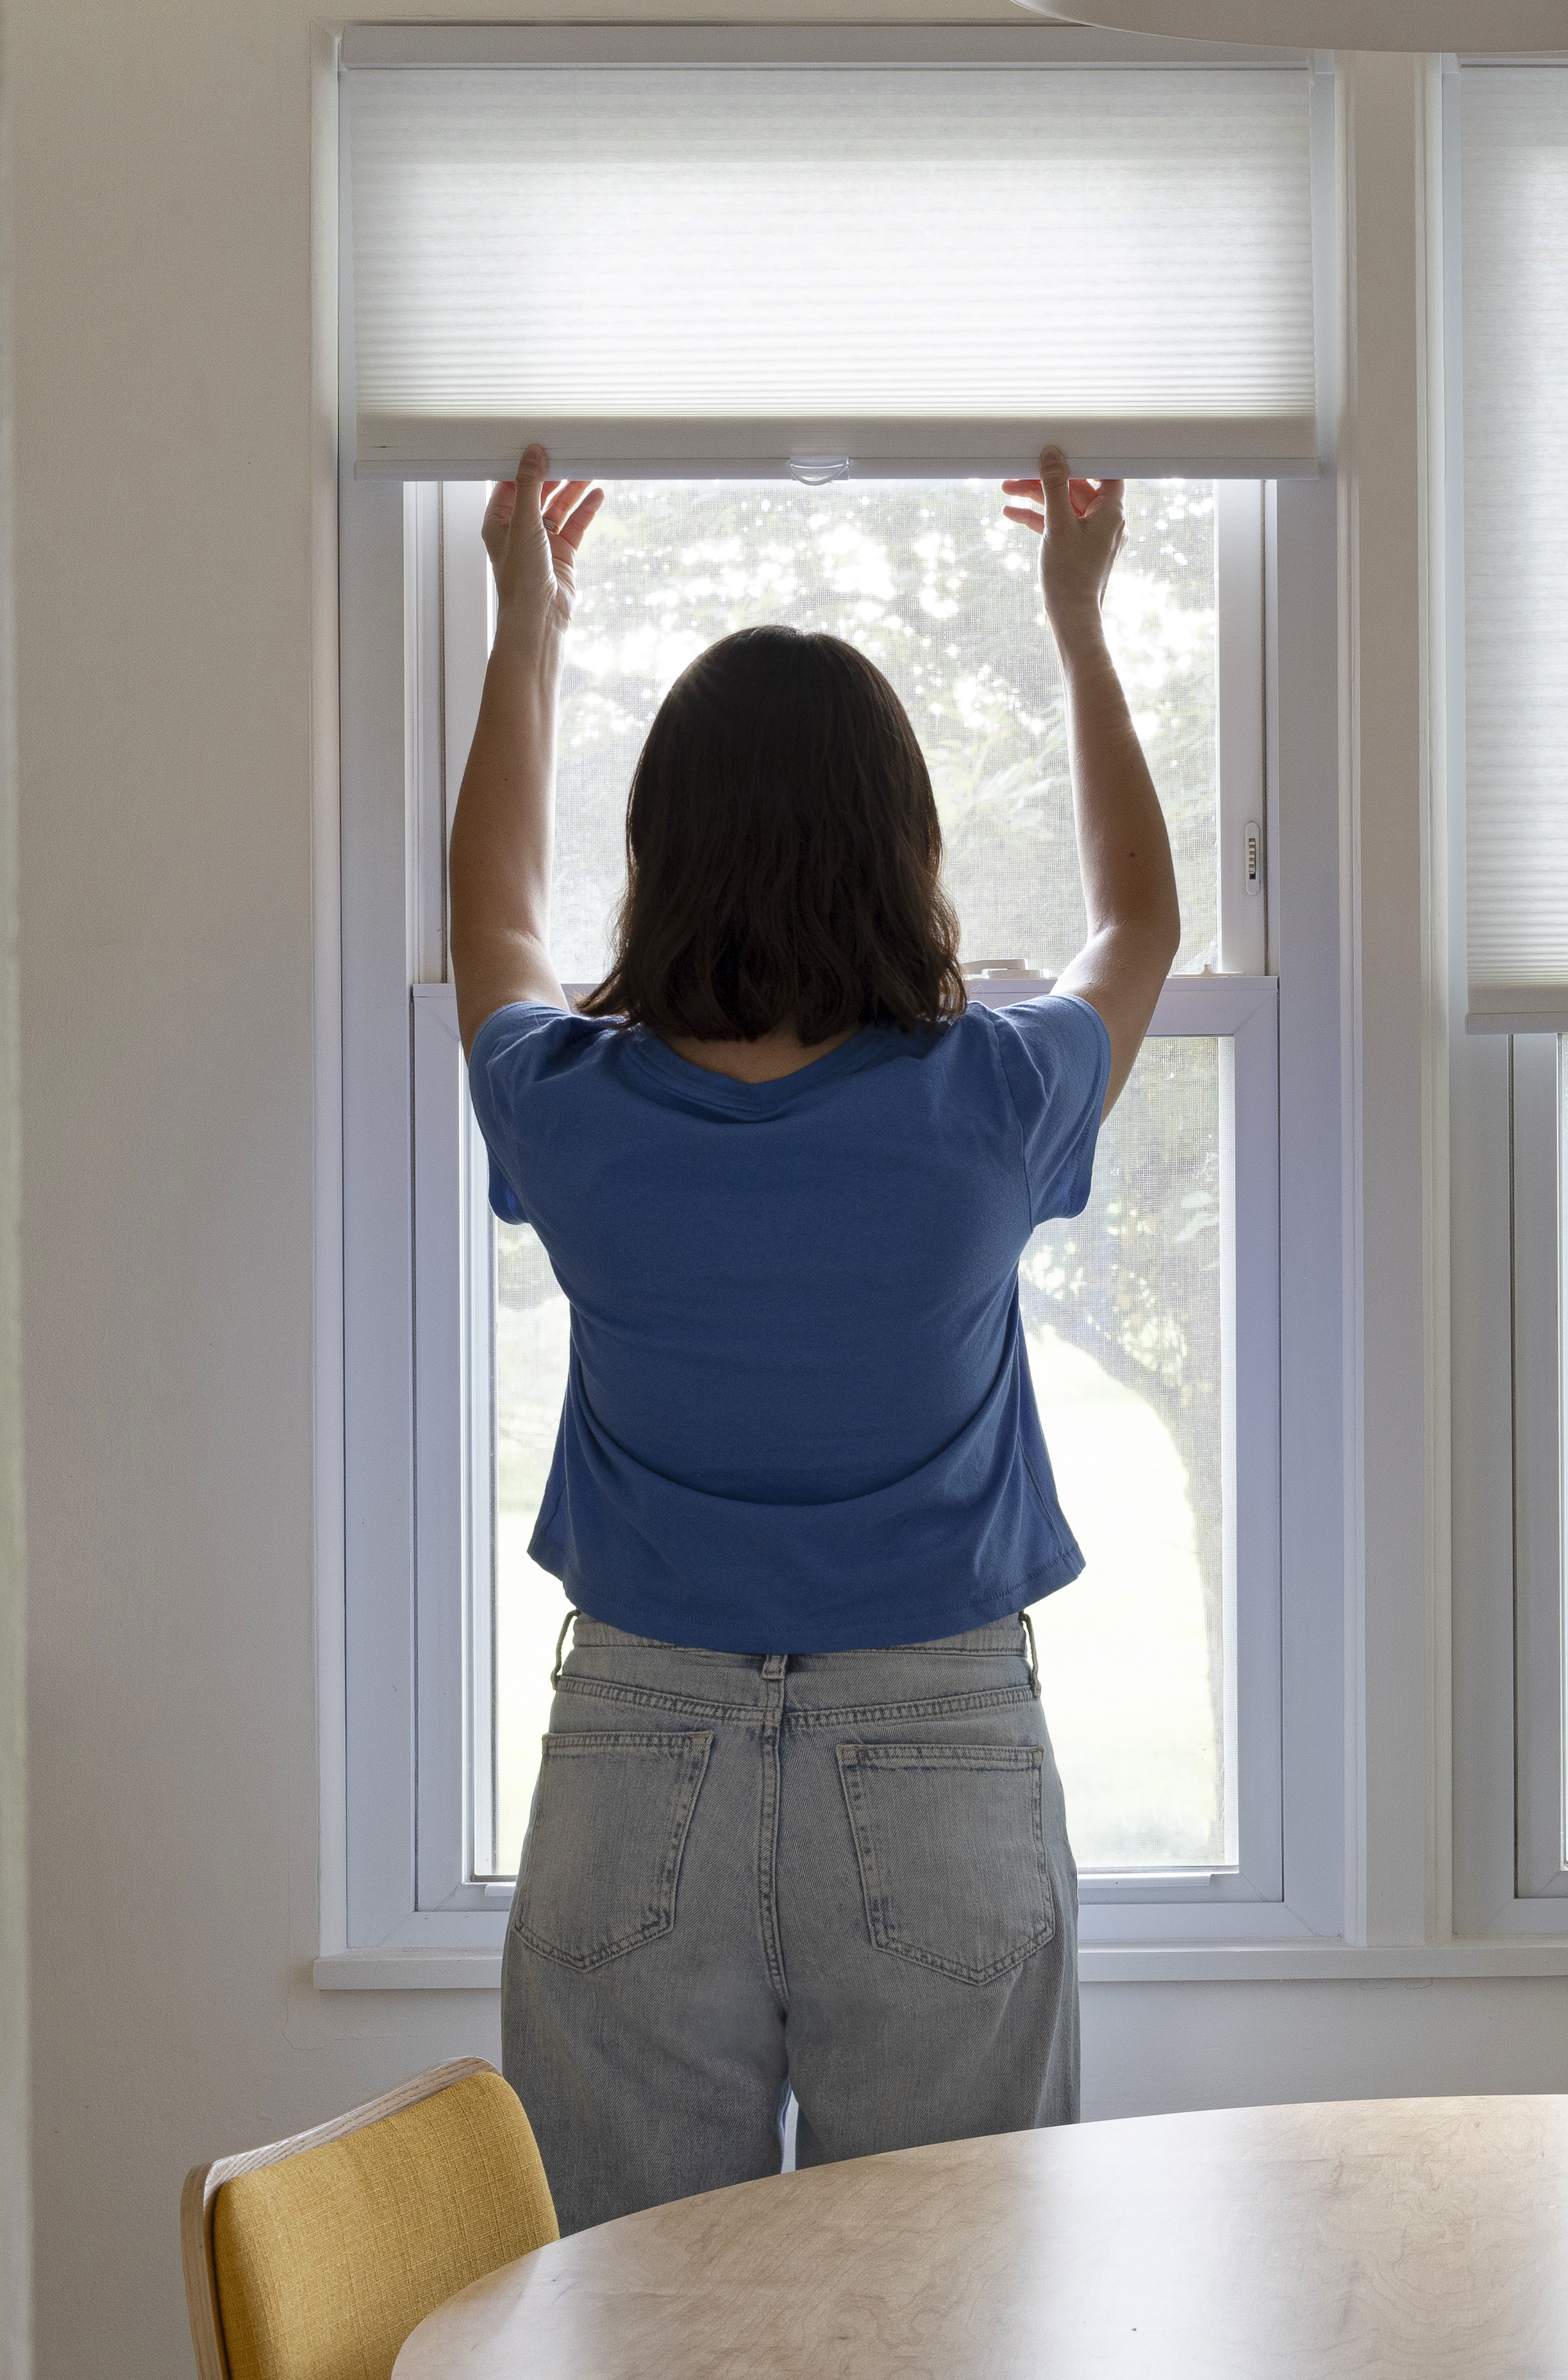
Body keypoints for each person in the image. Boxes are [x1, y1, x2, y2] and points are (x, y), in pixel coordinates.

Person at [453, 440, 1180, 2229]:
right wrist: (1082, 624)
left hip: (636, 1753)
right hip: (940, 1742)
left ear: (661, 852)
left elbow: (488, 915)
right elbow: (1143, 923)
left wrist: (524, 628)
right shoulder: (988, 1100)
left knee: (619, 2317)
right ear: (907, 847)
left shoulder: (575, 1109)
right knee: (945, 2317)